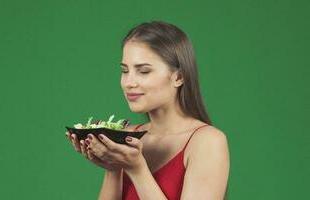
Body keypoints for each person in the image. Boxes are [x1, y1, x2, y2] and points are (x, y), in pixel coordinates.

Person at [66, 21, 230, 200]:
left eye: (143, 71)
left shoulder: (207, 142)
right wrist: (113, 168)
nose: (129, 83)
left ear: (179, 77)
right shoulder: (126, 138)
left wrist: (137, 170)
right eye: (125, 70)